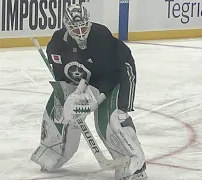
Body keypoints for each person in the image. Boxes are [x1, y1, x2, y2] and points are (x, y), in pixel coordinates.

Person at [30, 3, 148, 180]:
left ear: (89, 23)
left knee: (112, 121)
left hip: (115, 79)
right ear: (67, 27)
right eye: (75, 30)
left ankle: (133, 164)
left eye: (84, 28)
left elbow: (112, 75)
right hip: (83, 81)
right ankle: (52, 152)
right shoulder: (56, 44)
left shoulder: (101, 38)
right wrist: (72, 96)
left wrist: (92, 97)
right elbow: (63, 77)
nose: (81, 33)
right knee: (58, 109)